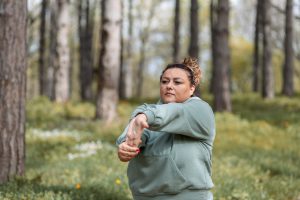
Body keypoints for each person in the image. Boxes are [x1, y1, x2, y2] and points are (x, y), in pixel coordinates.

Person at [116, 57, 216, 200]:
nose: (169, 86)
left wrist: (145, 117)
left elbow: (175, 113)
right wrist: (125, 147)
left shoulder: (200, 111)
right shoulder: (145, 112)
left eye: (177, 82)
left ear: (192, 88)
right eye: (164, 81)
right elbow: (130, 139)